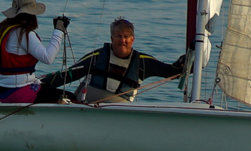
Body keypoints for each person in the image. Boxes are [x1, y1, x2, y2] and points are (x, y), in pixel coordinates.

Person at [42, 18, 189, 105]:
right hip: (87, 108)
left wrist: (188, 60)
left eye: (126, 37)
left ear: (132, 40)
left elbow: (171, 71)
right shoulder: (97, 57)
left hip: (118, 113)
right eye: (118, 36)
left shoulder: (143, 63)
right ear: (112, 39)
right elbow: (68, 75)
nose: (122, 40)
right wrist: (38, 85)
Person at [0, 0, 69, 104]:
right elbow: (48, 58)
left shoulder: (1, 28)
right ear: (32, 14)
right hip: (18, 93)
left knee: (49, 89)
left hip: (2, 92)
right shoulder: (24, 34)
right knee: (71, 97)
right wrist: (59, 30)